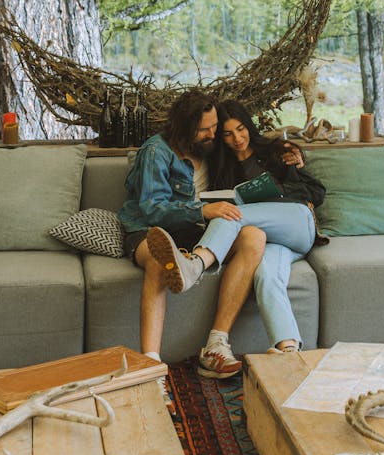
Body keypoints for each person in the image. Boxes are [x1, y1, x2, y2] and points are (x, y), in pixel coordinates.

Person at [120, 89, 324, 378]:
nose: (214, 135)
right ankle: (152, 366)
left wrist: (291, 152)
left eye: (216, 128)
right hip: (153, 228)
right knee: (164, 257)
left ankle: (205, 301)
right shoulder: (159, 151)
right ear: (184, 127)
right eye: (206, 130)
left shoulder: (235, 149)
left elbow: (299, 178)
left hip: (213, 228)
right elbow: (152, 209)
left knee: (244, 225)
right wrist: (204, 210)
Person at [210, 99, 328, 354]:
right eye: (228, 134)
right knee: (266, 275)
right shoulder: (222, 168)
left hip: (297, 225)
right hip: (271, 243)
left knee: (232, 214)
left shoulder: (276, 151)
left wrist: (288, 177)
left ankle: (197, 262)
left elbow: (317, 193)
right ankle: (288, 348)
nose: (237, 138)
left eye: (240, 129)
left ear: (248, 127)